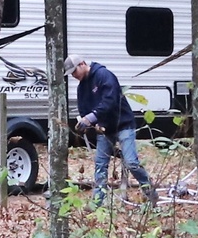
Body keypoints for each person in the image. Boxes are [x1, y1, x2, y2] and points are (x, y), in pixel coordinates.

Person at [64, 55, 158, 205]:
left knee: (131, 162)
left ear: (82, 64)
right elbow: (84, 109)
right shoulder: (82, 87)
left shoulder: (104, 75)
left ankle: (150, 193)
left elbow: (110, 101)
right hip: (105, 130)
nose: (74, 76)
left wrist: (92, 117)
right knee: (100, 165)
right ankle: (97, 203)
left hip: (123, 125)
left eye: (74, 71)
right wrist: (85, 123)